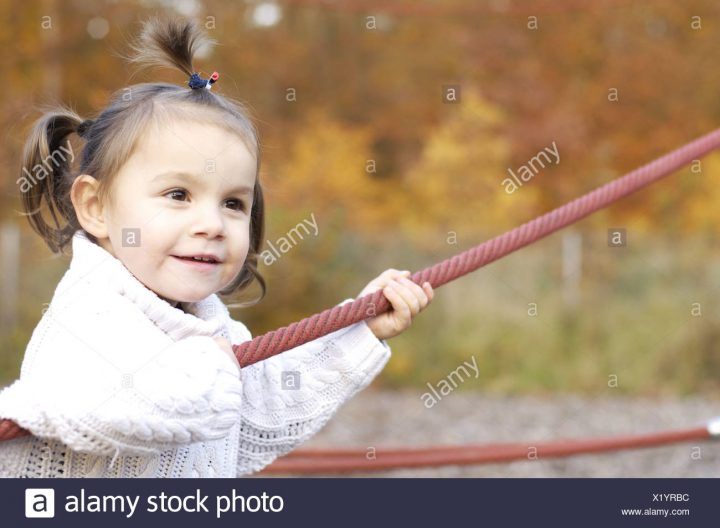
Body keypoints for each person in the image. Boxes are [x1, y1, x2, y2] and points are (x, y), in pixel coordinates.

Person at [0, 18, 433, 477]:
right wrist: (210, 365)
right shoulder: (90, 316)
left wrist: (359, 330)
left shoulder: (205, 324)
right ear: (96, 206)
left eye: (232, 202)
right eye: (178, 195)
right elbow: (117, 407)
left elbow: (261, 412)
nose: (212, 224)